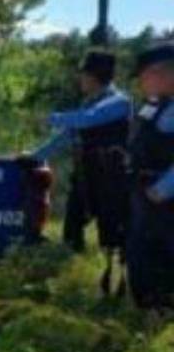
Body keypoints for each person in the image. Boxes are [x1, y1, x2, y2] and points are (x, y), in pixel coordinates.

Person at [34, 51, 133, 255]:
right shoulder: (87, 103)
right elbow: (68, 136)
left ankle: (111, 275)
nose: (80, 79)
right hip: (85, 175)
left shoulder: (119, 102)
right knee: (72, 230)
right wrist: (37, 155)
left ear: (94, 77)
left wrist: (52, 118)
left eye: (83, 75)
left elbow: (89, 118)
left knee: (111, 236)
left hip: (111, 178)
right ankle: (69, 268)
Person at [126, 43, 174, 310]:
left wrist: (163, 189)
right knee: (142, 259)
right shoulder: (154, 106)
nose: (141, 84)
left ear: (161, 74)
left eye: (142, 77)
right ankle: (148, 314)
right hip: (145, 197)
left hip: (165, 200)